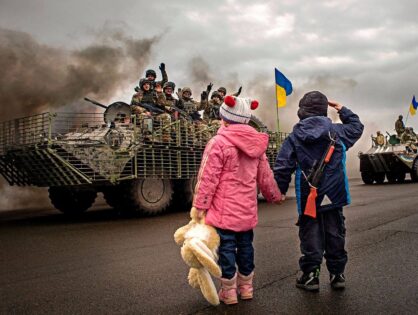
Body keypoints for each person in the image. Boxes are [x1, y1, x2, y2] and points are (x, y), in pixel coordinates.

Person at [193, 95, 282, 305]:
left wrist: (200, 206)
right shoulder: (257, 145)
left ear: (224, 118)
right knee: (246, 247)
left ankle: (229, 291)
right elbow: (265, 176)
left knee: (226, 249)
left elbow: (208, 177)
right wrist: (274, 195)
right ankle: (246, 287)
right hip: (247, 210)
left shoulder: (218, 142)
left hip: (223, 212)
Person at [274, 91, 363, 292]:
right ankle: (337, 274)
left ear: (301, 111)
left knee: (310, 234)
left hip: (308, 197)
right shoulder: (338, 132)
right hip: (334, 196)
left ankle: (311, 276)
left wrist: (278, 192)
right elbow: (357, 127)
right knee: (335, 232)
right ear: (324, 110)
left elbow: (282, 166)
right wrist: (342, 109)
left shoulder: (295, 136)